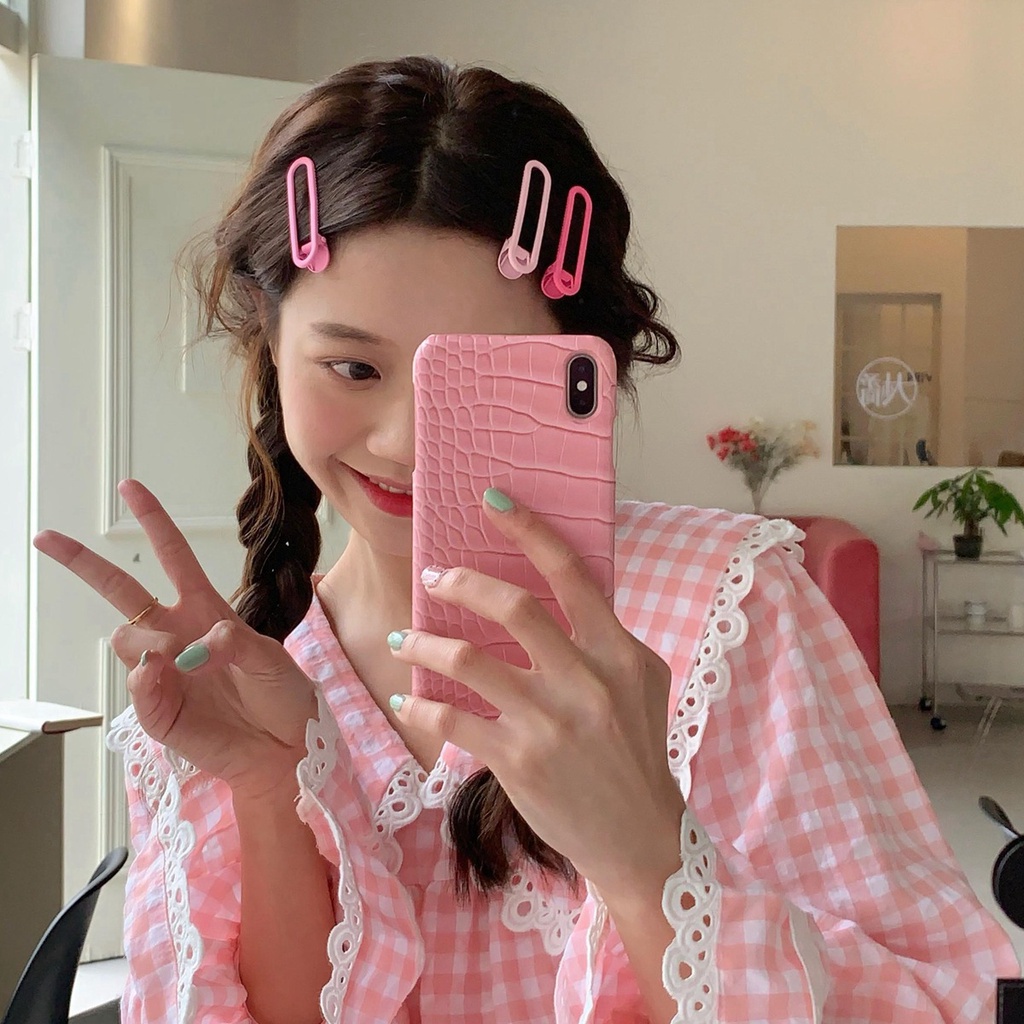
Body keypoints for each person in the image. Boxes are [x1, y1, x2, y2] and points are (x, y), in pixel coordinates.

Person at [35, 56, 1019, 1024]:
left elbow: (943, 1002)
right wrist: (263, 787)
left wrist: (647, 857)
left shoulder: (722, 610)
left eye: (476, 378)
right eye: (353, 369)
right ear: (269, 348)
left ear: (580, 365)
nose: (405, 442)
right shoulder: (256, 678)